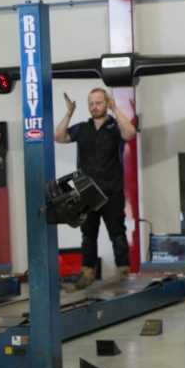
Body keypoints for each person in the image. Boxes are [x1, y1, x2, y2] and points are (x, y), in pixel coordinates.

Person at [54, 87, 137, 289]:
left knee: (117, 233)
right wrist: (69, 113)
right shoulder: (82, 128)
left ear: (105, 103)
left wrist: (115, 108)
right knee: (88, 236)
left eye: (98, 102)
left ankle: (124, 272)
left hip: (112, 192)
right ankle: (87, 273)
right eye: (91, 103)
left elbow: (130, 133)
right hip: (87, 193)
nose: (94, 106)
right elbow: (59, 136)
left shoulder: (114, 127)